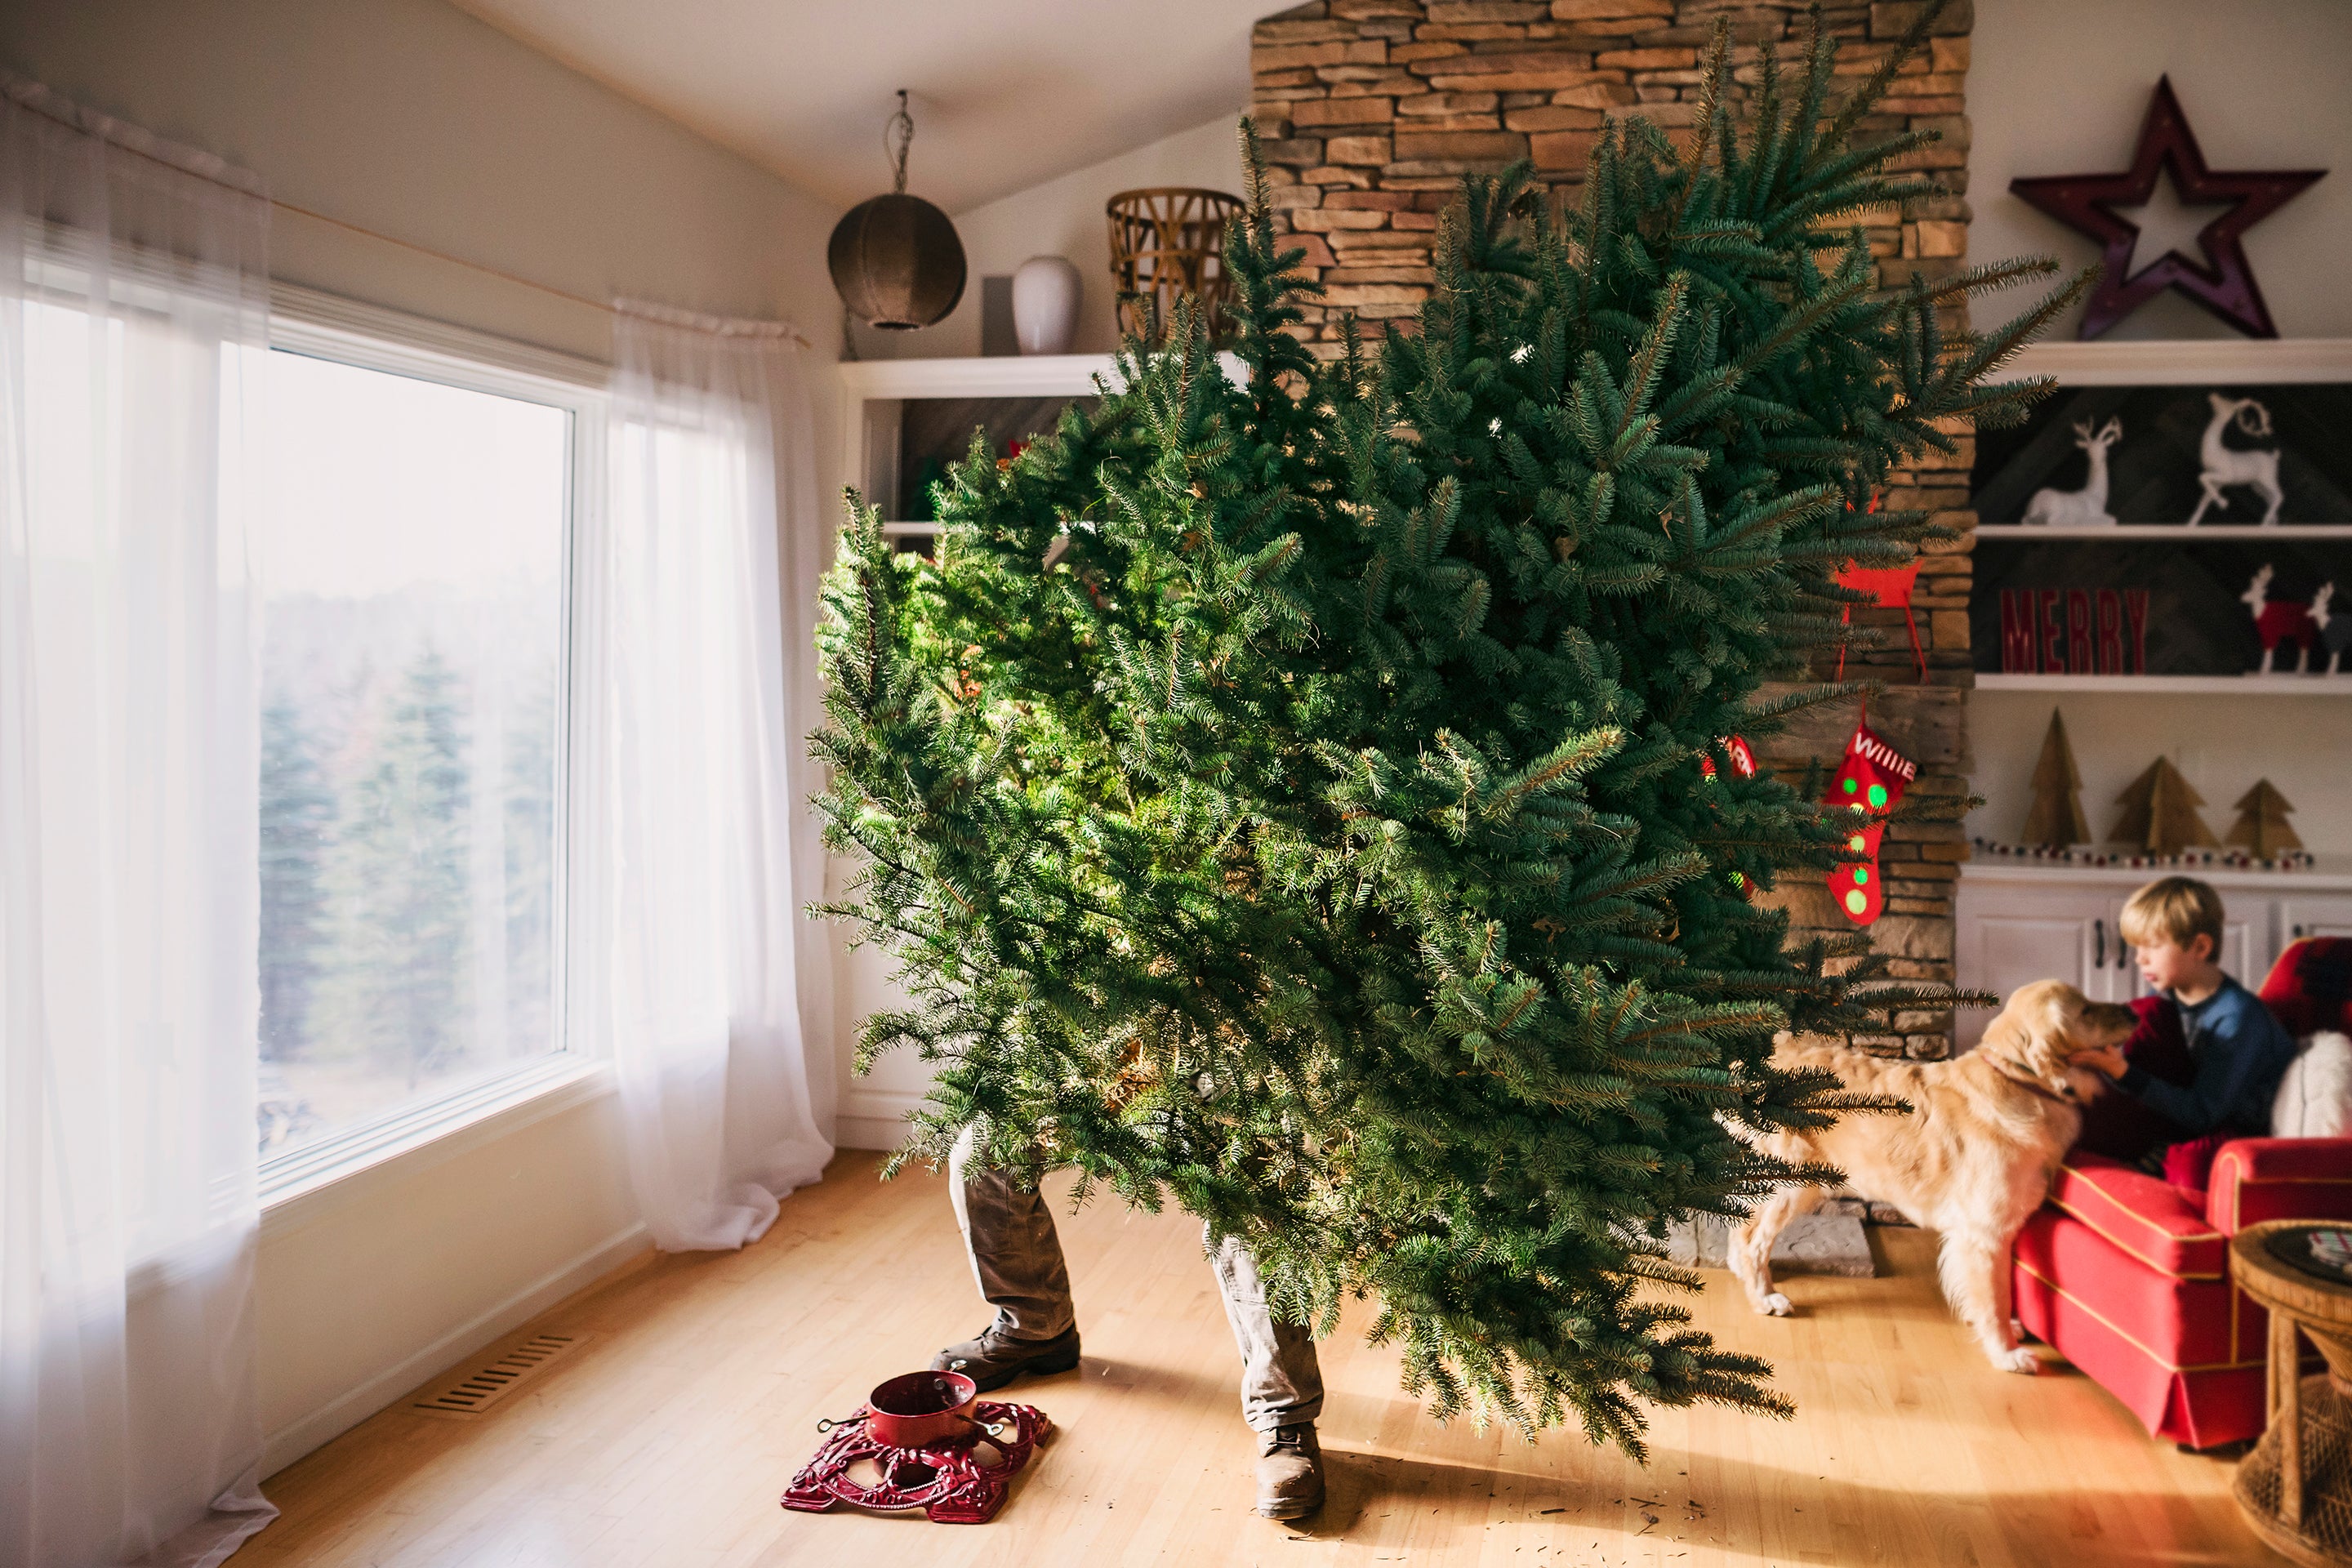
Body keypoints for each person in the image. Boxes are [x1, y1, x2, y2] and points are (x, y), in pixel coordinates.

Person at [932, 1128, 1327, 1519]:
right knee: (982, 1151)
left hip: (1209, 1077)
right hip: (1092, 1071)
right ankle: (1035, 1328)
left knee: (1249, 1184)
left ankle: (1286, 1416)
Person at [2078, 876, 2297, 1184]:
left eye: (2152, 946)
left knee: (2188, 1166)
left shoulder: (2237, 1018)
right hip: (2182, 1111)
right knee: (2086, 1115)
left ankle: (2159, 1155)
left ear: (2200, 946)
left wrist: (2124, 1073)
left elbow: (2204, 1114)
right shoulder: (2166, 997)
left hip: (2232, 1127)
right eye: (2136, 947)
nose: (2139, 959)